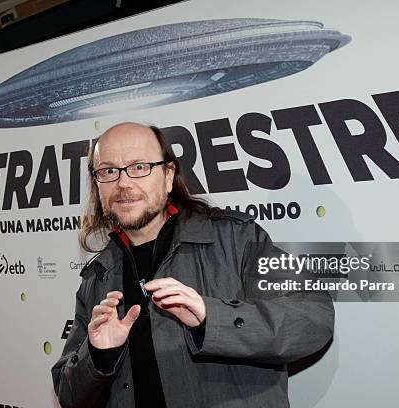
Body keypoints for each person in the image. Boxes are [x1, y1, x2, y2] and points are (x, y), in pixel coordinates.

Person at [51, 122, 334, 408]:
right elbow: (69, 395)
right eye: (109, 171)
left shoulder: (236, 240)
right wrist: (98, 355)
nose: (123, 183)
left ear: (168, 176)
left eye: (139, 166)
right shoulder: (97, 276)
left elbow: (314, 317)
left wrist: (211, 318)